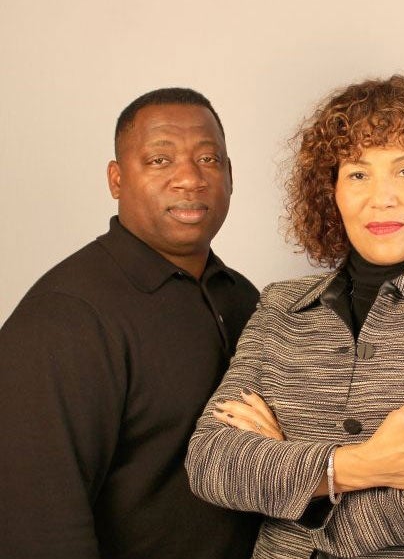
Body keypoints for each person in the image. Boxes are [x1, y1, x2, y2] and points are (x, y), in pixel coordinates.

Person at [186, 75, 404, 559]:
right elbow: (213, 463)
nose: (381, 197)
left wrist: (304, 497)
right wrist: (367, 464)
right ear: (331, 190)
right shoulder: (280, 309)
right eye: (357, 173)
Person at [0, 88, 262, 558]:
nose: (189, 178)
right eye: (160, 160)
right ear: (117, 179)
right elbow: (36, 523)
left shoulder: (245, 299)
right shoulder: (66, 316)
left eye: (208, 159)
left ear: (229, 174)